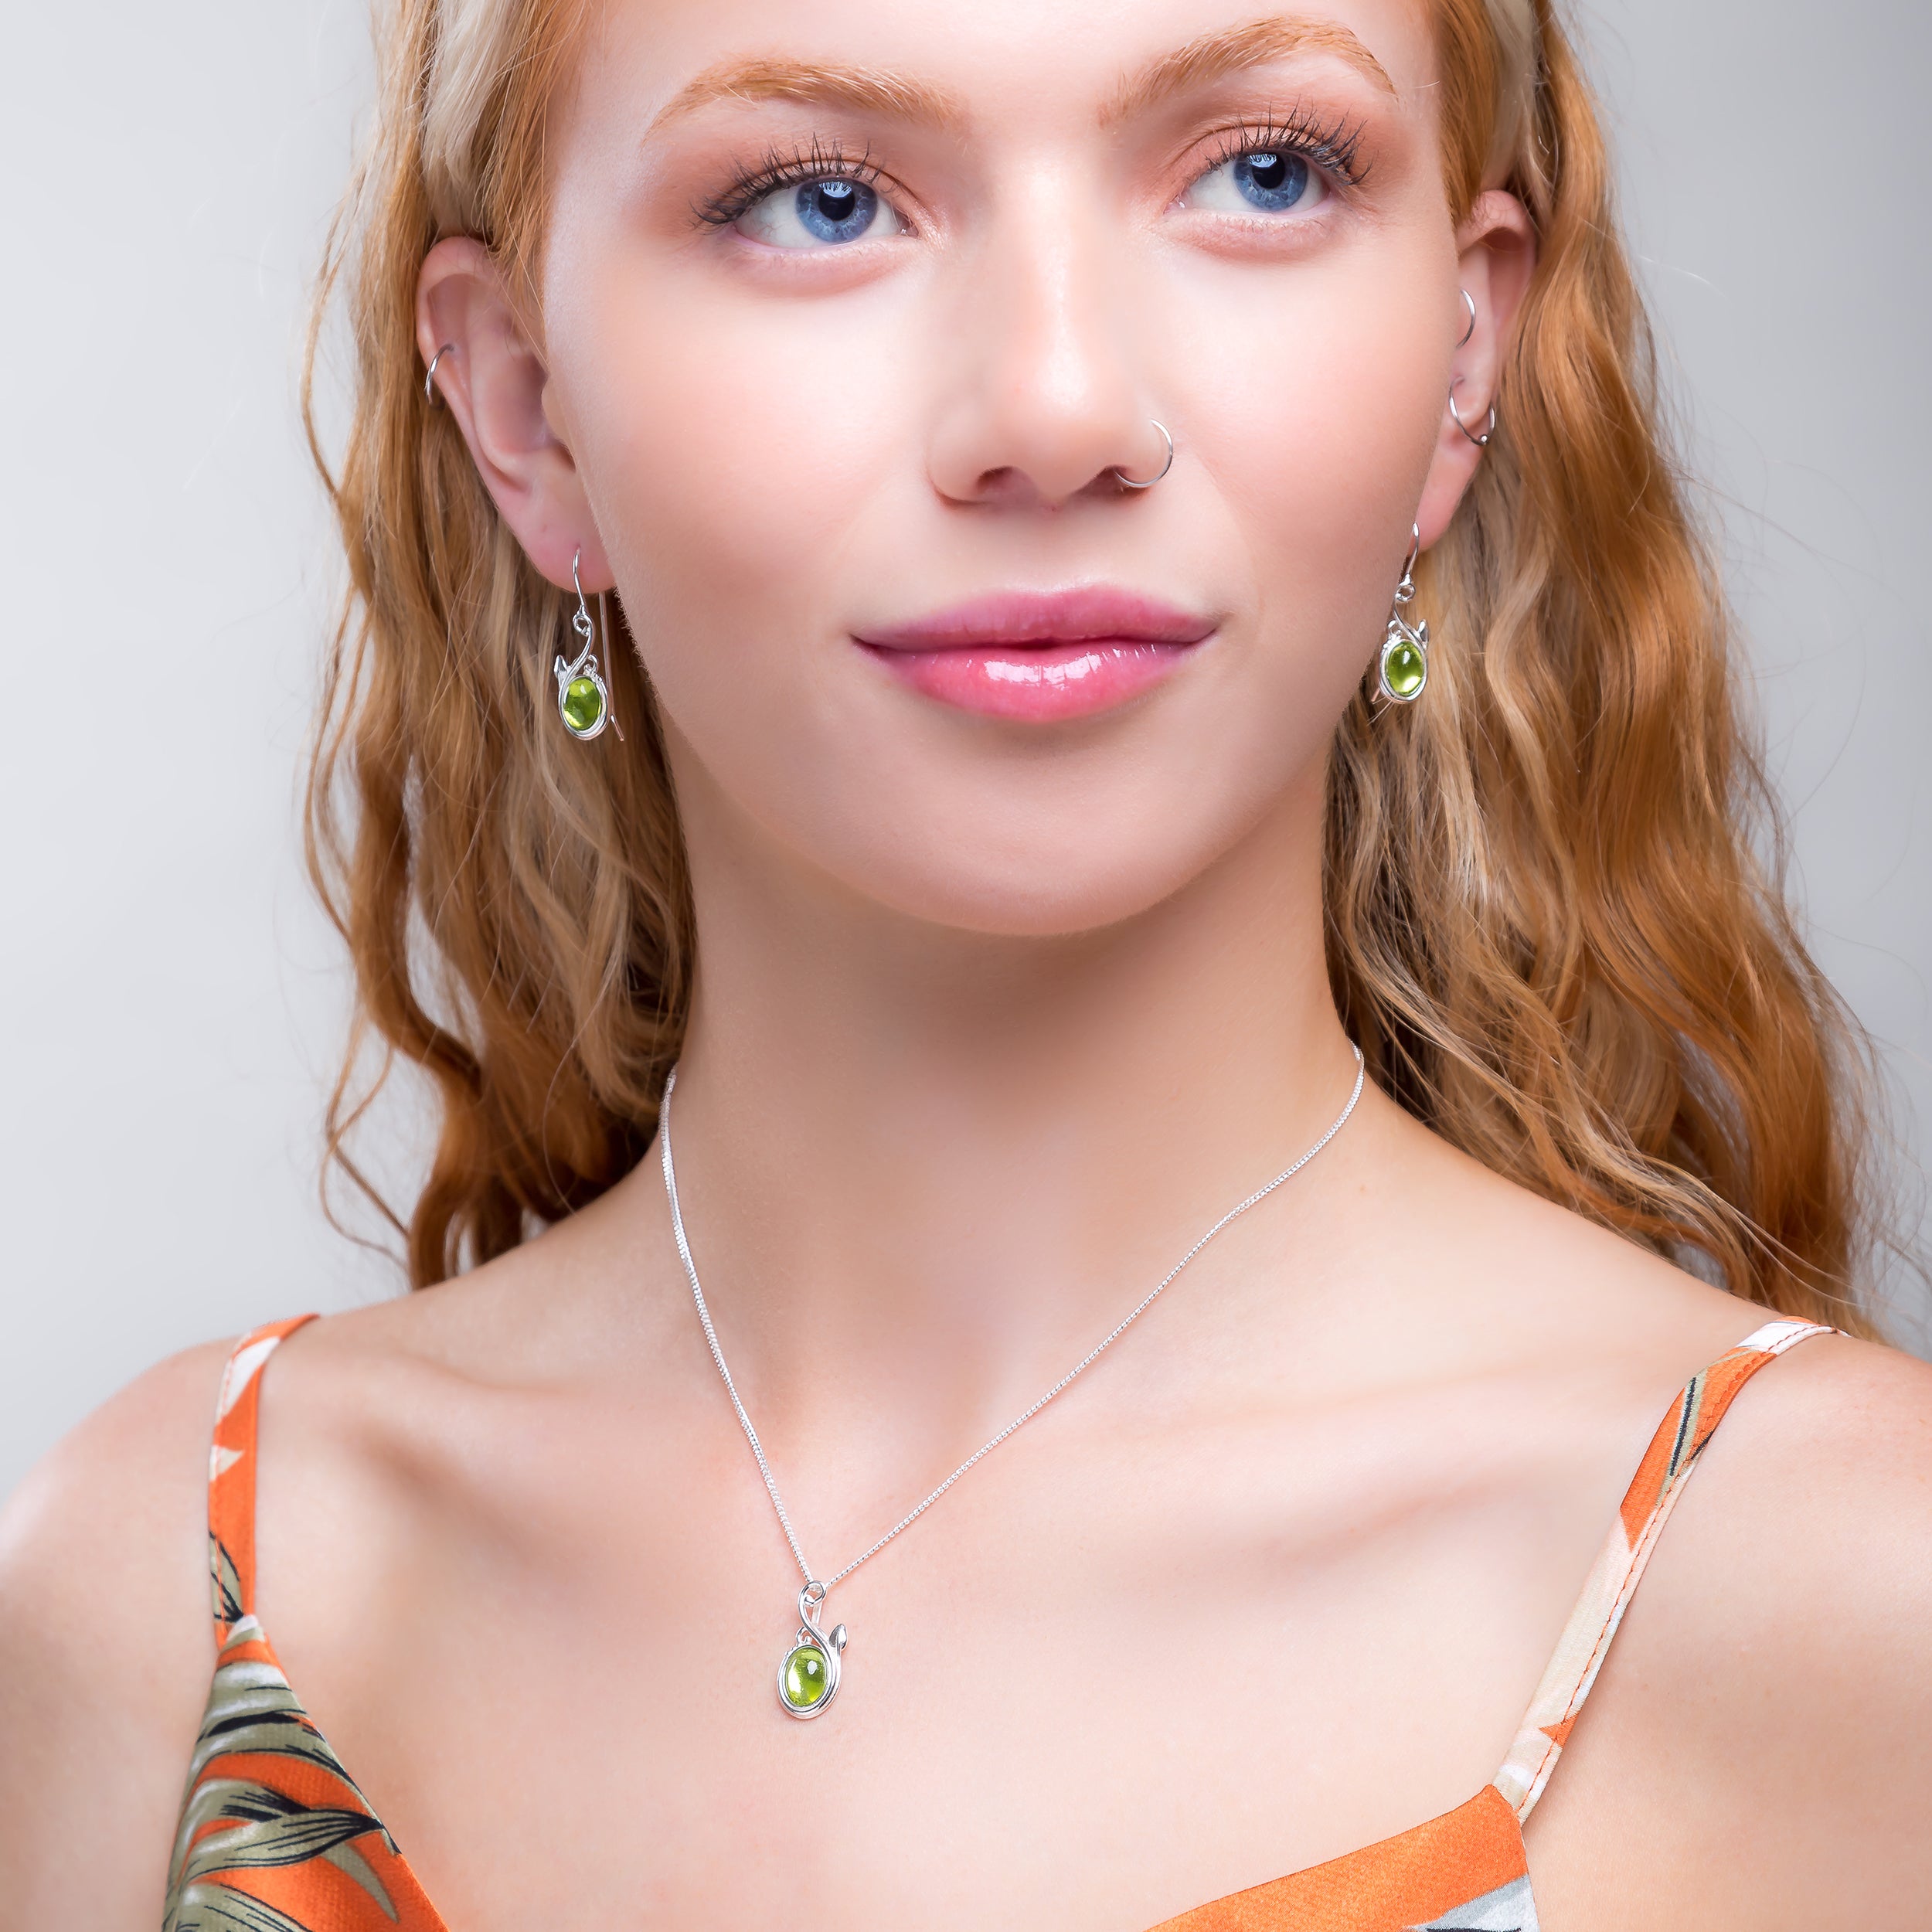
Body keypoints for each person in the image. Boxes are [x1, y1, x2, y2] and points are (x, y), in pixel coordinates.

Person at [2, 0, 1927, 1924]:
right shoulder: (158, 1592)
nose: (1056, 410)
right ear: (525, 403)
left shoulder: (1846, 1601)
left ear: (1459, 355)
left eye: (1262, 174)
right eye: (818, 200)